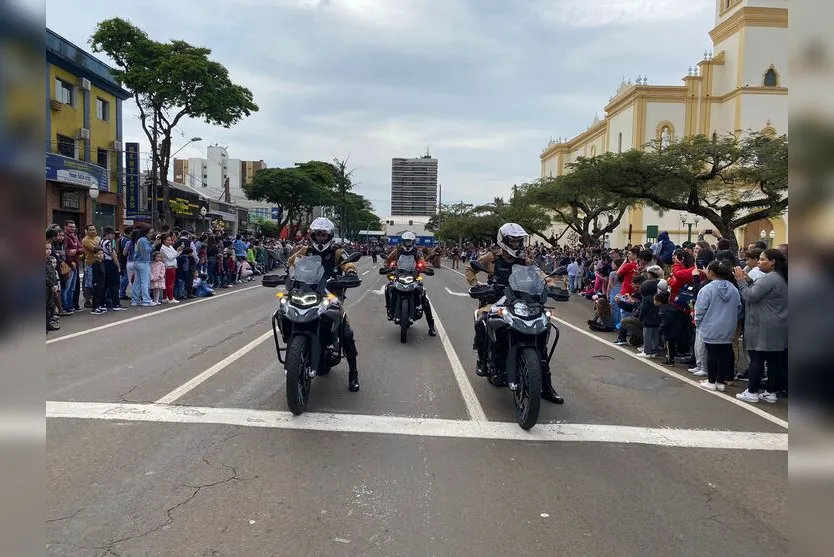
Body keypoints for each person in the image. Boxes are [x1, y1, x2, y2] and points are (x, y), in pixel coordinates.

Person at [464, 223, 564, 404]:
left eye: (519, 241)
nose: (516, 244)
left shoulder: (524, 259)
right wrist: (475, 284)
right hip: (497, 300)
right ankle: (482, 359)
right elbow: (470, 268)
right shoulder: (491, 257)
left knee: (542, 329)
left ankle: (546, 386)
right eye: (513, 240)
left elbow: (539, 272)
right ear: (503, 240)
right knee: (481, 320)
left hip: (522, 300)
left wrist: (550, 284)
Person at [286, 217, 362, 392]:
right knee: (285, 311)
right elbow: (290, 263)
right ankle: (296, 352)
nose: (320, 237)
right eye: (317, 234)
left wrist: (350, 271)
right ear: (312, 234)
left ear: (329, 235)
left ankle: (353, 372)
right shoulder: (305, 250)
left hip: (330, 294)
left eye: (323, 234)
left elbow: (348, 263)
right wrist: (287, 271)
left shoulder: (337, 252)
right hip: (307, 291)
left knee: (346, 333)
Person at [694, 261, 741, 392]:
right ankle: (720, 381)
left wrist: (698, 322)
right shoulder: (733, 288)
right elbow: (738, 307)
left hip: (710, 325)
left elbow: (700, 309)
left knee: (712, 353)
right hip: (728, 326)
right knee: (725, 353)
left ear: (711, 272)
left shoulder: (707, 289)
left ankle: (711, 381)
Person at [383, 230, 436, 337]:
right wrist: (387, 268)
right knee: (388, 288)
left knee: (424, 298)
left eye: (409, 241)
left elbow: (422, 261)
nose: (408, 243)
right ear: (403, 241)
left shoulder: (417, 252)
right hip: (399, 275)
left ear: (413, 242)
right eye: (406, 241)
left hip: (413, 276)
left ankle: (431, 326)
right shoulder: (397, 251)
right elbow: (388, 260)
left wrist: (424, 268)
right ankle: (389, 308)